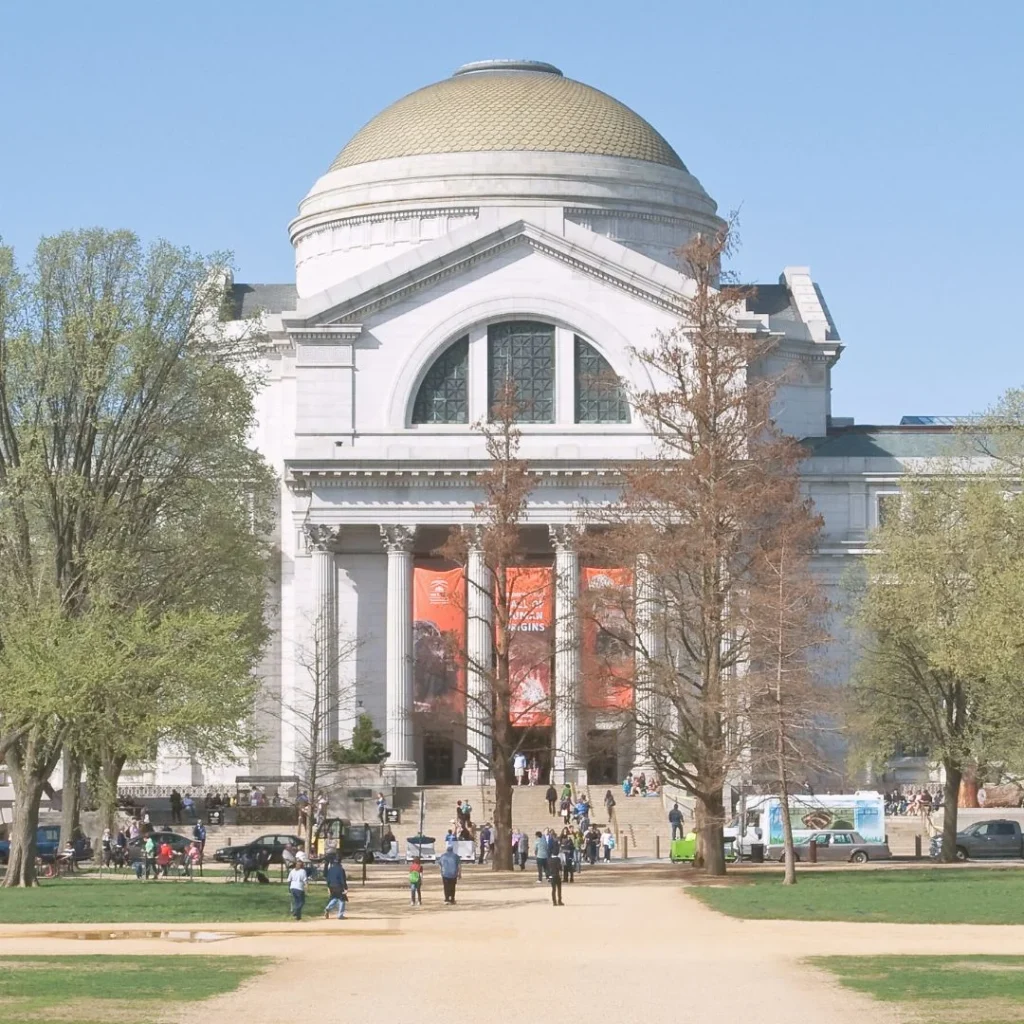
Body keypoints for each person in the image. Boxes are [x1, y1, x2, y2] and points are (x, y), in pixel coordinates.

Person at [323, 855, 349, 920]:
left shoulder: (330, 869)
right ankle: (340, 915)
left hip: (331, 885)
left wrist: (328, 886)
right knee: (342, 899)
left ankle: (327, 908)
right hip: (338, 886)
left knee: (335, 897)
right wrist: (345, 888)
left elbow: (327, 878)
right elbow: (343, 879)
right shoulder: (341, 869)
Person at [288, 854, 308, 919]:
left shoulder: (292, 871)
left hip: (292, 887)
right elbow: (305, 880)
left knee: (297, 901)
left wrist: (289, 889)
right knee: (302, 901)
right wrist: (306, 887)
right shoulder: (303, 871)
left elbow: (289, 880)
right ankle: (296, 911)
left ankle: (298, 917)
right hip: (299, 888)